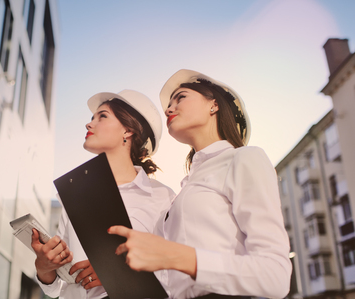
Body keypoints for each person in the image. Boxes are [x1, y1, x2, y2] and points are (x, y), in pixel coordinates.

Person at [108, 69, 292, 299]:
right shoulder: (182, 195)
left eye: (181, 97)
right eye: (169, 104)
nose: (168, 109)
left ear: (213, 105)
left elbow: (276, 276)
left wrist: (176, 256)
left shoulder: (244, 158)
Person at [31, 90, 176, 299]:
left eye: (102, 116)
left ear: (128, 130)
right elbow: (58, 288)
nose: (89, 124)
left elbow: (179, 275)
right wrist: (45, 268)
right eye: (92, 118)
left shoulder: (163, 198)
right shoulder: (75, 195)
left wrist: (119, 274)